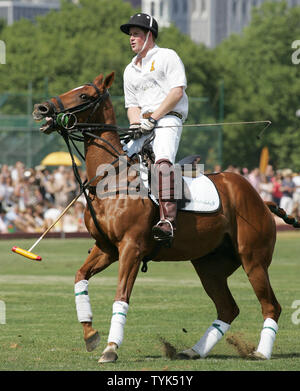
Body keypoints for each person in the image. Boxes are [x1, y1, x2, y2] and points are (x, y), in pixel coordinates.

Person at [120, 13, 188, 244]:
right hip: (143, 125)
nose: (132, 39)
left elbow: (176, 92)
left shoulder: (167, 56)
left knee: (162, 161)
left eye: (136, 34)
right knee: (118, 161)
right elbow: (132, 106)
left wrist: (155, 117)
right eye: (130, 35)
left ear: (149, 35)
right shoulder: (129, 70)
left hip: (169, 118)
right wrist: (136, 125)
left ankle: (167, 221)